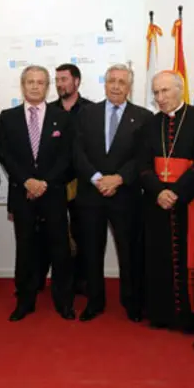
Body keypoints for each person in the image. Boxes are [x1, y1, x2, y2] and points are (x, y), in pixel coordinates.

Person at [74, 63, 152, 322]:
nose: (116, 86)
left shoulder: (143, 117)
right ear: (105, 84)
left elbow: (143, 157)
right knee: (91, 251)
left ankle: (132, 303)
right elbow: (77, 151)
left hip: (126, 196)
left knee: (129, 253)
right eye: (112, 81)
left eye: (122, 82)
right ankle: (94, 302)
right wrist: (97, 179)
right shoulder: (87, 113)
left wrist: (118, 178)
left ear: (129, 87)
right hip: (91, 194)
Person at [0, 65, 75, 321]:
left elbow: (67, 156)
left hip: (53, 194)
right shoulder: (8, 117)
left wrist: (44, 183)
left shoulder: (62, 117)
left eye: (40, 82)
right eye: (30, 81)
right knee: (25, 249)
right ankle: (25, 301)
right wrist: (27, 181)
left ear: (47, 87)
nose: (34, 86)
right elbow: (5, 154)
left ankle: (64, 302)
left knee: (60, 249)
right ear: (23, 85)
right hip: (22, 194)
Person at [139, 70, 194, 332]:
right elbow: (142, 165)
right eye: (156, 92)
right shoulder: (149, 124)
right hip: (157, 202)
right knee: (159, 258)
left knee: (189, 257)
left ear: (180, 89)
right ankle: (161, 314)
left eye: (165, 90)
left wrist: (177, 192)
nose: (160, 97)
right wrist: (159, 191)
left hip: (188, 201)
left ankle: (191, 317)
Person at [43, 63, 94, 293]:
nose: (60, 84)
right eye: (57, 80)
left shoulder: (91, 110)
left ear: (77, 81)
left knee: (82, 232)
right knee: (52, 233)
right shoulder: (48, 110)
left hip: (83, 183)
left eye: (64, 79)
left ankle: (81, 280)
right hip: (54, 182)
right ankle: (54, 279)